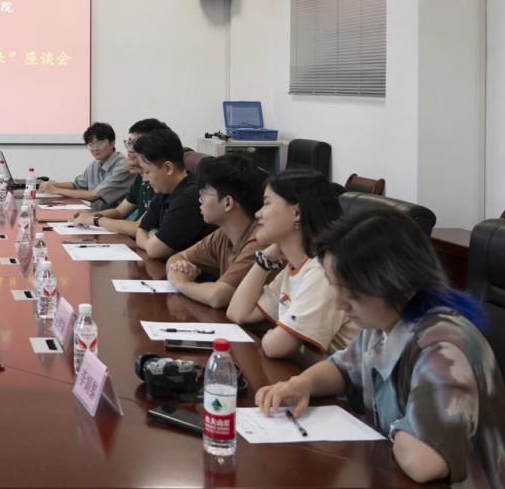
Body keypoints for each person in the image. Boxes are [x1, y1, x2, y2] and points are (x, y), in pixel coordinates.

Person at [256, 208, 505, 488]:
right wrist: (301, 384)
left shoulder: (443, 347)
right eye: (336, 287)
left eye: (352, 292)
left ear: (402, 286)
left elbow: (425, 462)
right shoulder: (384, 321)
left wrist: (395, 428)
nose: (340, 304)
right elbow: (343, 369)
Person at [225, 168, 358, 358]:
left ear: (297, 213)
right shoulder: (294, 266)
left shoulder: (323, 271)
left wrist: (272, 336)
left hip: (345, 378)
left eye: (266, 203)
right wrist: (265, 260)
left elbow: (275, 347)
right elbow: (238, 313)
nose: (258, 214)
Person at [165, 153, 270, 309]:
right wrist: (179, 267)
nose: (199, 200)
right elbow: (176, 258)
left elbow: (218, 296)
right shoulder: (224, 233)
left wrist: (181, 283)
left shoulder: (260, 240)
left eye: (203, 193)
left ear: (227, 203)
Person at [70, 119, 166, 235]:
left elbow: (138, 228)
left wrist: (95, 220)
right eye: (129, 142)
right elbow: (119, 212)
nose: (130, 149)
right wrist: (91, 216)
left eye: (137, 143)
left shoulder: (161, 183)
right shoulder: (141, 177)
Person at [132, 127, 213, 259]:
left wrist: (151, 240)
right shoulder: (165, 190)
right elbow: (140, 231)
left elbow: (155, 250)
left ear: (168, 168)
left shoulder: (189, 197)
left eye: (147, 172)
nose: (145, 179)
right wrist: (150, 241)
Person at [39, 122, 135, 210]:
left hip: (114, 219)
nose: (95, 148)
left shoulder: (123, 166)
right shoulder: (95, 164)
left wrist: (56, 190)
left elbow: (94, 196)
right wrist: (51, 185)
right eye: (91, 144)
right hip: (95, 215)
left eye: (100, 143)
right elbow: (77, 185)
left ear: (112, 143)